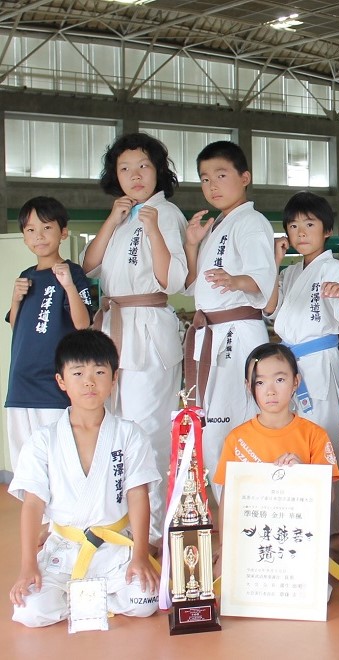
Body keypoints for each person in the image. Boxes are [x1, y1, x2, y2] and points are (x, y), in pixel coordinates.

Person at [9, 329, 160, 627]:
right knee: (29, 610)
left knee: (145, 600)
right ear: (61, 381)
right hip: (65, 550)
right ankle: (86, 596)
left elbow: (138, 495)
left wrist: (140, 555)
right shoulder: (43, 440)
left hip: (114, 550)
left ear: (114, 379)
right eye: (78, 373)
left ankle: (78, 598)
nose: (89, 382)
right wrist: (28, 566)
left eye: (99, 372)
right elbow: (33, 504)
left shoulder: (129, 434)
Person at [82, 133, 187, 541]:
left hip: (147, 328)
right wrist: (111, 220)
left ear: (158, 170)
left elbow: (172, 279)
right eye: (124, 168)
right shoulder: (122, 216)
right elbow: (88, 268)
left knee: (147, 432)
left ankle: (154, 532)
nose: (134, 175)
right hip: (114, 327)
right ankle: (121, 523)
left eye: (143, 165)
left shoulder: (166, 213)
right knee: (115, 429)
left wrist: (154, 229)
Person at [182, 141, 277, 494]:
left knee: (234, 418)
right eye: (205, 179)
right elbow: (194, 286)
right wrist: (192, 245)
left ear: (245, 177)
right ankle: (229, 507)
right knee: (216, 421)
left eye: (221, 175)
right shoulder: (218, 225)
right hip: (215, 330)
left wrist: (236, 281)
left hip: (237, 330)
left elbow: (263, 278)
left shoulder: (250, 221)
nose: (212, 186)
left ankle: (241, 506)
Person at [213, 343, 339, 574]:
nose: (270, 391)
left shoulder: (315, 436)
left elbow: (328, 497)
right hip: (252, 539)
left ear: (296, 382)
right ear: (248, 386)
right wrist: (225, 547)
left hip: (298, 540)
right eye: (260, 382)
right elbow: (228, 499)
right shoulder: (237, 439)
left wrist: (303, 474)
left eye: (280, 380)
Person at [264, 192, 339, 467]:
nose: (301, 233)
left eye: (309, 224)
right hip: (289, 362)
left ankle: (328, 491)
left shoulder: (334, 268)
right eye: (293, 226)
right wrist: (274, 263)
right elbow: (270, 308)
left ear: (327, 230)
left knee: (320, 433)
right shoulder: (291, 272)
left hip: (319, 362)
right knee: (290, 435)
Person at [5, 197, 92, 470]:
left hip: (54, 384)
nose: (39, 236)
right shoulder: (26, 275)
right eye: (31, 230)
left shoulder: (72, 272)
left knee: (58, 460)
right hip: (20, 383)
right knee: (25, 464)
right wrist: (15, 300)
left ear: (63, 232)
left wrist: (68, 286)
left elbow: (83, 324)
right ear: (24, 237)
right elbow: (16, 327)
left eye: (46, 228)